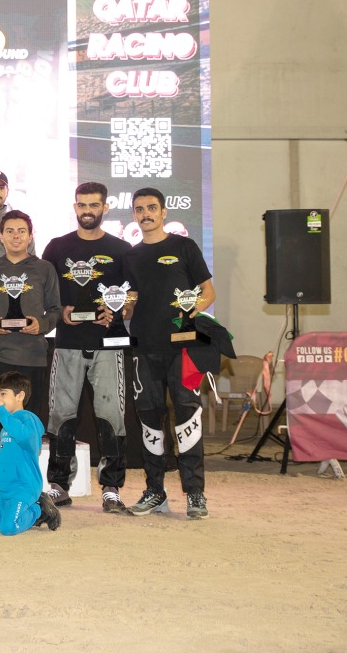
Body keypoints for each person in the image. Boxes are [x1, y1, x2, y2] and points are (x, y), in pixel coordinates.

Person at [123, 187, 216, 520]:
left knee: (188, 417)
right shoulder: (130, 256)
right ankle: (155, 491)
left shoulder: (184, 246)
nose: (145, 213)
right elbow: (130, 302)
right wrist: (122, 308)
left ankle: (195, 493)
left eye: (151, 208)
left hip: (185, 349)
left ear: (163, 212)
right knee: (150, 421)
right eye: (139, 209)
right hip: (143, 349)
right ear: (133, 215)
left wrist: (192, 311)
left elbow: (208, 292)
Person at [40, 182, 133, 513]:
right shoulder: (56, 247)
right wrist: (61, 310)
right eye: (82, 205)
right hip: (67, 344)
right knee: (61, 415)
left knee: (111, 416)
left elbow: (133, 296)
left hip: (108, 346)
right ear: (75, 207)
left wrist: (121, 309)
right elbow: (45, 293)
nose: (88, 210)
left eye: (94, 205)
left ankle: (111, 487)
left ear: (105, 208)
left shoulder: (122, 249)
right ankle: (59, 484)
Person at [0, 210, 60, 456]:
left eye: (22, 231)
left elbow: (55, 310)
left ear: (30, 236)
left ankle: (27, 482)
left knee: (28, 426)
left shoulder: (44, 268)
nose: (16, 236)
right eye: (9, 231)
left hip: (32, 358)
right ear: (1, 236)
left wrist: (40, 325)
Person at [0, 371, 62, 535]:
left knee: (8, 529)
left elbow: (24, 436)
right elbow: (4, 460)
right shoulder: (6, 425)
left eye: (3, 394)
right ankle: (16, 508)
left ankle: (38, 508)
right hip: (5, 488)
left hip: (24, 487)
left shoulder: (28, 419)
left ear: (20, 396)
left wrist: (2, 413)